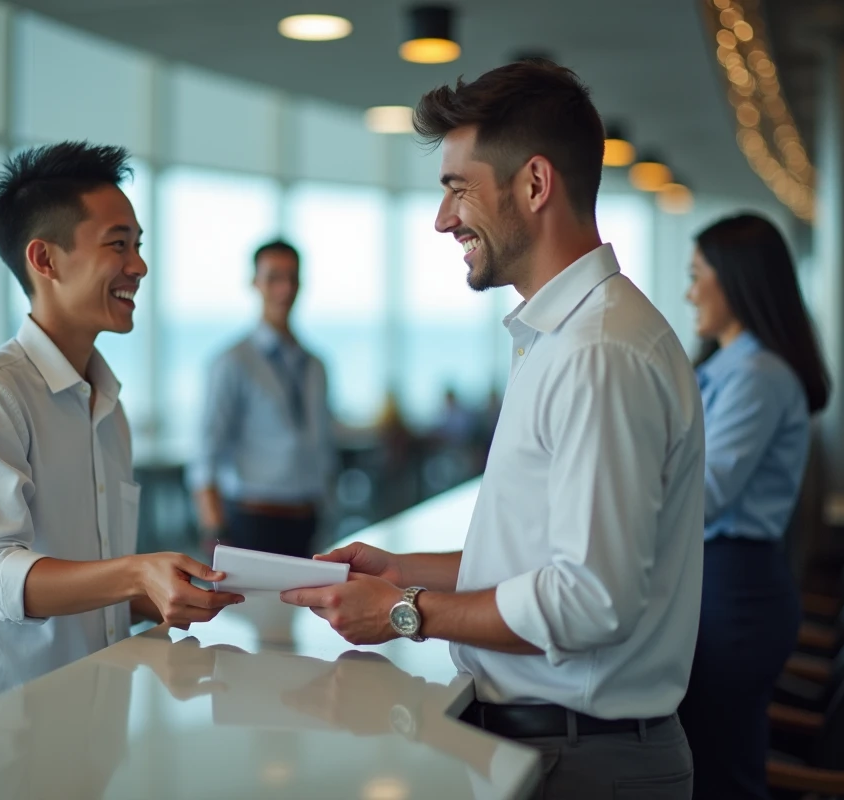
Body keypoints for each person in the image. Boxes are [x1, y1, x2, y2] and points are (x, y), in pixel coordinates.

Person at [281, 59, 705, 799]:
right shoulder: (567, 336)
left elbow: (589, 600)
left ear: (534, 184)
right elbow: (541, 558)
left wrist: (405, 613)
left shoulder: (598, 352)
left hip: (585, 762)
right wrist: (401, 570)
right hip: (561, 745)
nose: (443, 219)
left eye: (459, 189)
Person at [0, 141, 243, 719]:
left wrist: (160, 594)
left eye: (139, 245)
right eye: (118, 245)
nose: (139, 266)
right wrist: (137, 574)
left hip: (99, 709)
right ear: (45, 260)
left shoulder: (108, 405)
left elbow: (96, 576)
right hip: (8, 727)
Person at [677, 214, 831, 799]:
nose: (690, 293)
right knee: (718, 764)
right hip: (727, 583)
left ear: (737, 279)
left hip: (734, 589)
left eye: (698, 275)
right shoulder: (732, 369)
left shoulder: (757, 375)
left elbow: (706, 493)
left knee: (723, 777)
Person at [188, 240, 337, 558]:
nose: (284, 288)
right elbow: (206, 453)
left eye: (292, 278)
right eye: (273, 278)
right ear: (255, 283)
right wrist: (213, 530)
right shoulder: (233, 362)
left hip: (309, 518)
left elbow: (322, 440)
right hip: (253, 519)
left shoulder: (315, 365)